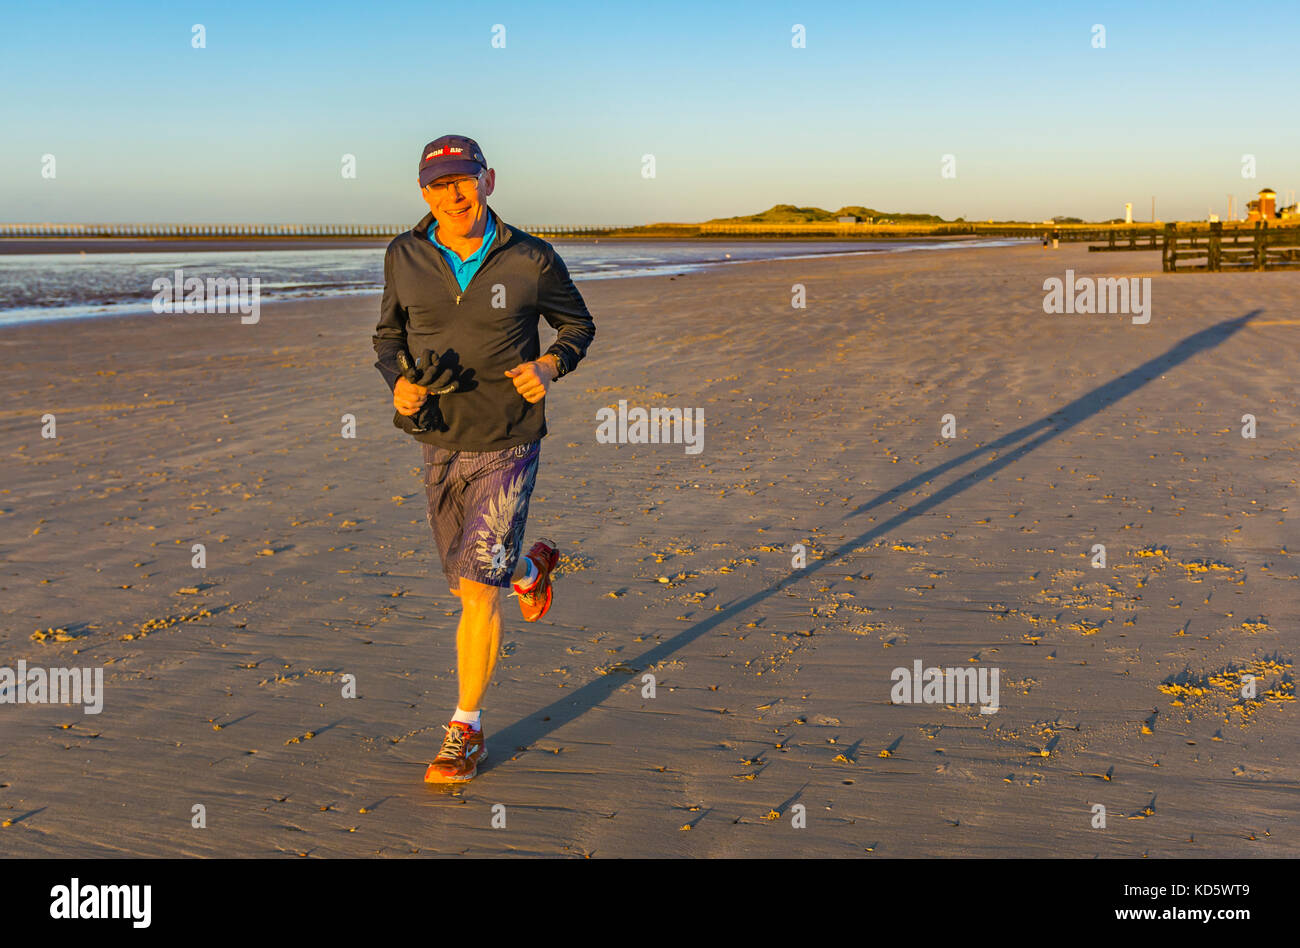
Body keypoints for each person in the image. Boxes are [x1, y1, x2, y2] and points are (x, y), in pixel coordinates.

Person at [372, 135, 596, 783]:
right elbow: (387, 338)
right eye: (439, 185)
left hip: (510, 437)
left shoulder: (531, 259)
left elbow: (577, 326)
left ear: (488, 179)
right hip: (437, 435)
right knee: (470, 574)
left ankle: (464, 731)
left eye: (463, 180)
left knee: (475, 591)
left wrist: (551, 366)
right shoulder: (405, 255)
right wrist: (400, 383)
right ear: (423, 193)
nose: (454, 195)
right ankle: (530, 568)